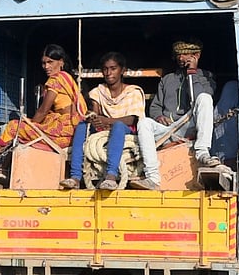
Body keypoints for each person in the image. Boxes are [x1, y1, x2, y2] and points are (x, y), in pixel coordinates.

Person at [133, 40, 220, 190]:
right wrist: (159, 117)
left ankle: (202, 153)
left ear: (196, 55)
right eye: (179, 55)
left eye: (186, 54)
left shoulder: (206, 76)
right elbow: (155, 107)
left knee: (205, 98)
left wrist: (192, 73)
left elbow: (198, 99)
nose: (181, 58)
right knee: (144, 123)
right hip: (168, 130)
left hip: (189, 125)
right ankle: (152, 177)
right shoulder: (167, 79)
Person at [0, 44, 86, 166]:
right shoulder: (67, 78)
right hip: (72, 132)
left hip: (62, 132)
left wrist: (31, 124)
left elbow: (43, 110)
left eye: (50, 62)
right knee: (24, 129)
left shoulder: (55, 80)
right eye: (44, 63)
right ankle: (4, 167)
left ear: (61, 62)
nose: (46, 66)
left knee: (13, 127)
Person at [60, 52, 147, 190]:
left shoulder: (133, 92)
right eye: (105, 69)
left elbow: (132, 119)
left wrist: (107, 120)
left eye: (113, 68)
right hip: (104, 128)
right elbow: (95, 112)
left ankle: (111, 176)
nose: (108, 73)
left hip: (126, 129)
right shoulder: (98, 91)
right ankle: (75, 176)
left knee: (118, 125)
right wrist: (94, 118)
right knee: (82, 126)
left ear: (122, 70)